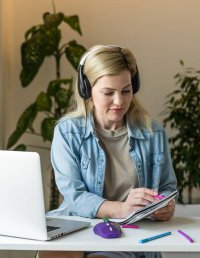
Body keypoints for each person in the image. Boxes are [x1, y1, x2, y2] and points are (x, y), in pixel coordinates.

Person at [40, 45, 177, 258]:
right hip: (78, 226)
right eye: (108, 92)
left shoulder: (153, 132)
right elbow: (74, 196)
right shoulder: (67, 132)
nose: (119, 101)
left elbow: (168, 187)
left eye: (126, 90)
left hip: (128, 234)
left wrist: (164, 205)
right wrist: (122, 208)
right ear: (88, 91)